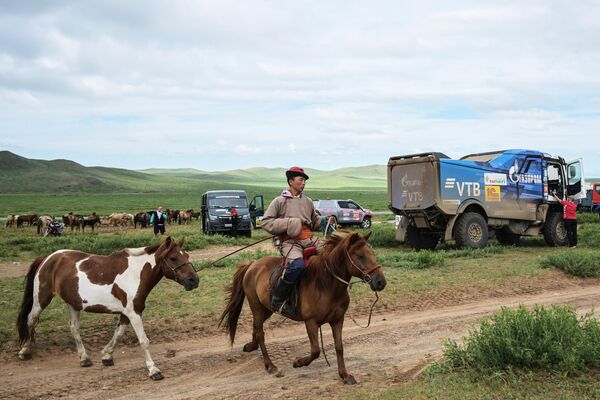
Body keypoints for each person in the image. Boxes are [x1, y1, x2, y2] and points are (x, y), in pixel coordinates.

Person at [261, 166, 323, 316]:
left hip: (309, 239)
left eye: (305, 181)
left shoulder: (308, 201)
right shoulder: (279, 201)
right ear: (291, 181)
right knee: (297, 266)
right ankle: (278, 299)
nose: (304, 183)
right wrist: (289, 223)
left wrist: (323, 220)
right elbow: (266, 222)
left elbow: (314, 221)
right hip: (290, 242)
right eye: (301, 180)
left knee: (333, 256)